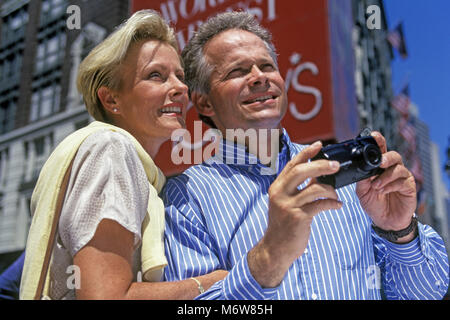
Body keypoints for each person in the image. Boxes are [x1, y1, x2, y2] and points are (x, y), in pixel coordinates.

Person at [163, 11, 449, 299]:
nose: (259, 77)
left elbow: (427, 293)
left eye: (267, 66)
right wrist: (269, 257)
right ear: (204, 102)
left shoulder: (347, 176)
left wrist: (400, 232)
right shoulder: (187, 197)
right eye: (237, 71)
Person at [20, 10, 226, 300]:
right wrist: (217, 283)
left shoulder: (133, 167)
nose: (180, 88)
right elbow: (107, 296)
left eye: (180, 76)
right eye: (156, 75)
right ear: (111, 99)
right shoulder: (110, 150)